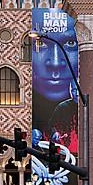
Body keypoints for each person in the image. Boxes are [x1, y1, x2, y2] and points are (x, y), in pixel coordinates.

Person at [31, 11, 79, 155]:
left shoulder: (89, 107)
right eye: (41, 44)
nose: (55, 63)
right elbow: (52, 129)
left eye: (70, 43)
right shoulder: (62, 107)